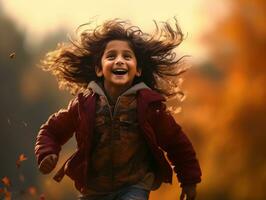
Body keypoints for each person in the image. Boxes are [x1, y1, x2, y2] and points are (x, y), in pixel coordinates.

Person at [35, 18, 202, 200]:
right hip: (93, 190)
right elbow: (52, 130)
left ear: (137, 70)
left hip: (134, 186)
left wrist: (189, 180)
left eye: (127, 56)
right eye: (111, 56)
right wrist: (48, 152)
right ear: (99, 69)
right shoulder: (84, 105)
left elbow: (176, 142)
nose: (120, 61)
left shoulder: (149, 106)